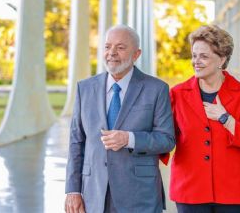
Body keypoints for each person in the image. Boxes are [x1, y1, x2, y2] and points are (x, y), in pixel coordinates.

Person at [64, 24, 175, 213]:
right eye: (107, 47)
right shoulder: (85, 88)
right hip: (94, 192)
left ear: (136, 54)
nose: (112, 53)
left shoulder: (156, 89)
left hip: (140, 194)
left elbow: (166, 140)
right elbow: (77, 142)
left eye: (121, 47)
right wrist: (73, 190)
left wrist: (129, 139)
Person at [167, 25, 240, 213]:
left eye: (204, 56)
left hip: (232, 191)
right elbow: (165, 137)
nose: (196, 61)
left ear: (222, 59)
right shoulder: (177, 94)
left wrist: (226, 119)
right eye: (194, 55)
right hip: (190, 190)